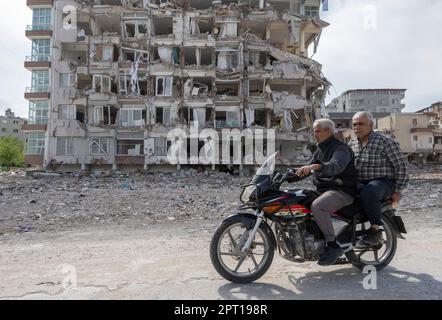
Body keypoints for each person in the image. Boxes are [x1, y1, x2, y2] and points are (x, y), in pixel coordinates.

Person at [296, 119, 358, 266]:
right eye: (314, 130)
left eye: (317, 130)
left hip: (343, 190)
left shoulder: (340, 148)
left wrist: (317, 166)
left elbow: (335, 166)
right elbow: (309, 168)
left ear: (328, 131)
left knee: (318, 206)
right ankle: (315, 239)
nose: (314, 133)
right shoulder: (320, 149)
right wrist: (289, 174)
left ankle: (332, 245)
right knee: (298, 199)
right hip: (324, 190)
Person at [349, 111, 409, 245]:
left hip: (383, 182)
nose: (356, 127)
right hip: (361, 182)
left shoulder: (385, 141)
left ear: (371, 125)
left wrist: (398, 191)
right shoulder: (352, 143)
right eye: (354, 124)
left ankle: (375, 230)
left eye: (361, 124)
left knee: (370, 191)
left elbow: (402, 166)